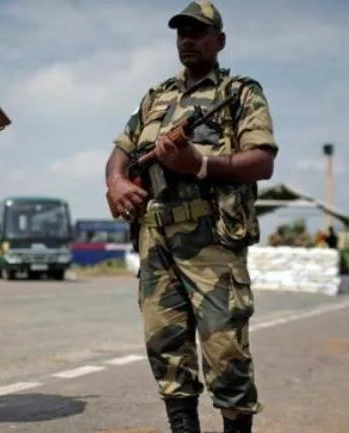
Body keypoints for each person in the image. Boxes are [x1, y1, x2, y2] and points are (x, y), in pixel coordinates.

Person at [104, 2, 277, 432]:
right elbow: (122, 149)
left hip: (210, 240)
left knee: (225, 352)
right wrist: (115, 182)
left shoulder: (238, 92)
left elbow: (261, 161)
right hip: (155, 240)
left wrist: (200, 165)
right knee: (166, 348)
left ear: (218, 41)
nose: (188, 39)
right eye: (181, 32)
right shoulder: (156, 95)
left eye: (198, 32)